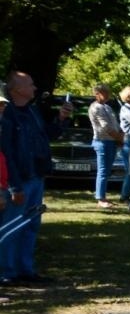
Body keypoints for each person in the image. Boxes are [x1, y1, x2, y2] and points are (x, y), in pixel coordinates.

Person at [0, 72, 69, 285]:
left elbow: (48, 134)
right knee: (12, 226)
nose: (35, 88)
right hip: (19, 180)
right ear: (17, 89)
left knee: (30, 225)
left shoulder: (32, 111)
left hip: (36, 177)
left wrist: (61, 119)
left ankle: (25, 270)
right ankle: (6, 273)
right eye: (30, 84)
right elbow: (7, 153)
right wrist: (14, 187)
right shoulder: (6, 115)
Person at [88, 83, 124, 209]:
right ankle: (100, 198)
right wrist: (121, 138)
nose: (108, 95)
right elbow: (106, 128)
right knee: (103, 171)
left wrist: (121, 134)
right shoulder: (95, 108)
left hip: (111, 141)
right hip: (102, 141)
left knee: (107, 170)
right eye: (105, 93)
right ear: (97, 94)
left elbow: (115, 125)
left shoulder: (107, 107)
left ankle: (103, 196)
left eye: (108, 92)